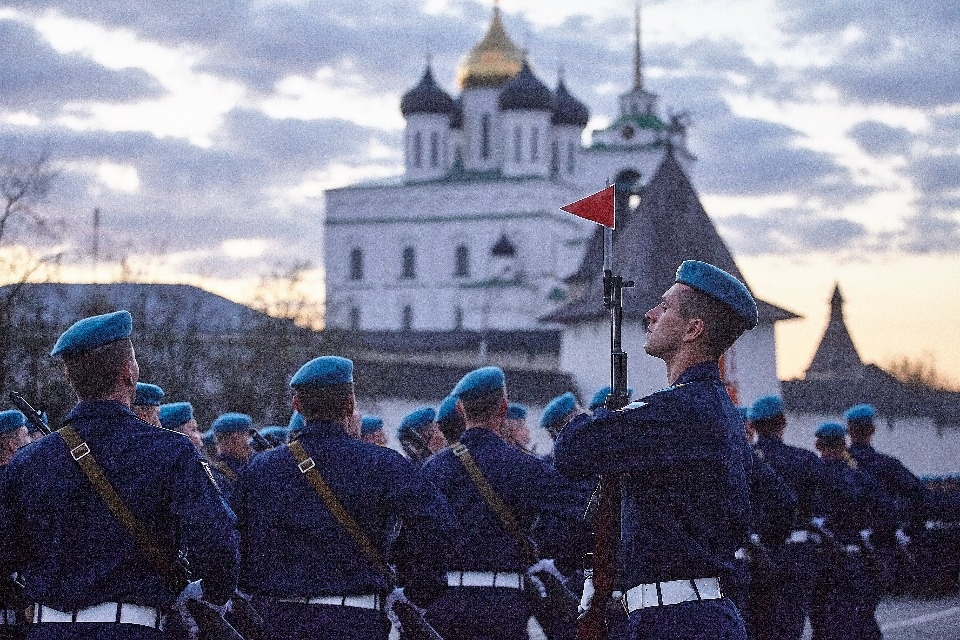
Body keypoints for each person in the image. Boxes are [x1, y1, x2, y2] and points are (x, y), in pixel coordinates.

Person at [0, 310, 238, 639]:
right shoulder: (171, 451)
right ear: (130, 373)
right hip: (132, 628)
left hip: (48, 628)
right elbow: (216, 543)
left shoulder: (27, 461)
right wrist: (211, 598)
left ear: (70, 379)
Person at [554, 260, 757, 640]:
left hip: (677, 621)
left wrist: (599, 415)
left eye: (664, 307)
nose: (650, 315)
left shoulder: (680, 410)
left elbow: (572, 451)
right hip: (687, 614)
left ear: (693, 329)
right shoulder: (713, 408)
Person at [232, 355, 455, 640]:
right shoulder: (383, 463)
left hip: (279, 620)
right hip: (355, 619)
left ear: (297, 405)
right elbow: (439, 526)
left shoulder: (260, 467)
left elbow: (233, 538)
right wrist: (419, 591)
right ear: (350, 405)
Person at [421, 366, 585, 640]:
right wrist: (555, 560)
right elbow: (578, 516)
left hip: (446, 602)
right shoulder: (524, 466)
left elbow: (416, 538)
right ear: (504, 408)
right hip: (503, 603)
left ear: (460, 410)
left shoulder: (433, 469)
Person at [749, 394, 825, 640]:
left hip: (754, 555)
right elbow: (821, 503)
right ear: (782, 422)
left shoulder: (744, 460)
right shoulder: (804, 460)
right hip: (795, 552)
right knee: (789, 627)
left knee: (758, 629)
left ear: (754, 426)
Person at [808, 422, 888, 640]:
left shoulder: (812, 476)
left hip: (819, 558)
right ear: (844, 445)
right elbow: (884, 509)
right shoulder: (858, 477)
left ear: (818, 445)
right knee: (857, 620)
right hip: (853, 557)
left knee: (822, 622)